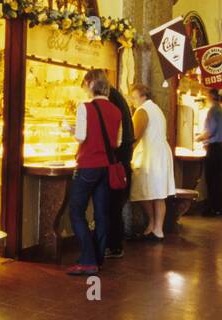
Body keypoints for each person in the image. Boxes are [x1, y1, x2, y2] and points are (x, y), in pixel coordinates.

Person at [66, 69, 122, 276]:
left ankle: (88, 261)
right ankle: (98, 258)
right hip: (106, 167)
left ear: (90, 84)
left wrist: (71, 130)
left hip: (88, 165)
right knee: (101, 214)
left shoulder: (85, 107)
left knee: (76, 212)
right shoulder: (116, 111)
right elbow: (117, 142)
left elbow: (81, 137)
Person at [92, 69, 135, 259]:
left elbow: (111, 133)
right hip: (121, 157)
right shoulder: (117, 97)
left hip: (115, 159)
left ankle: (113, 245)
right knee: (114, 204)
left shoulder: (110, 99)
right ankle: (114, 244)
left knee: (111, 204)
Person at [127, 82, 176, 239]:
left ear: (143, 96)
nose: (132, 101)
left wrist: (126, 151)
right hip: (160, 152)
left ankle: (155, 226)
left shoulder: (142, 111)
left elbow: (135, 136)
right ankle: (156, 228)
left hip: (152, 155)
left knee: (143, 189)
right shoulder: (156, 109)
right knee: (158, 192)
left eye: (134, 98)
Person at [196, 89, 222, 215]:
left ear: (211, 97)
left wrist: (198, 138)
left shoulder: (213, 111)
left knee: (211, 180)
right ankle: (219, 207)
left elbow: (210, 131)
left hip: (213, 148)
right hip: (220, 148)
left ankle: (212, 208)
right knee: (218, 179)